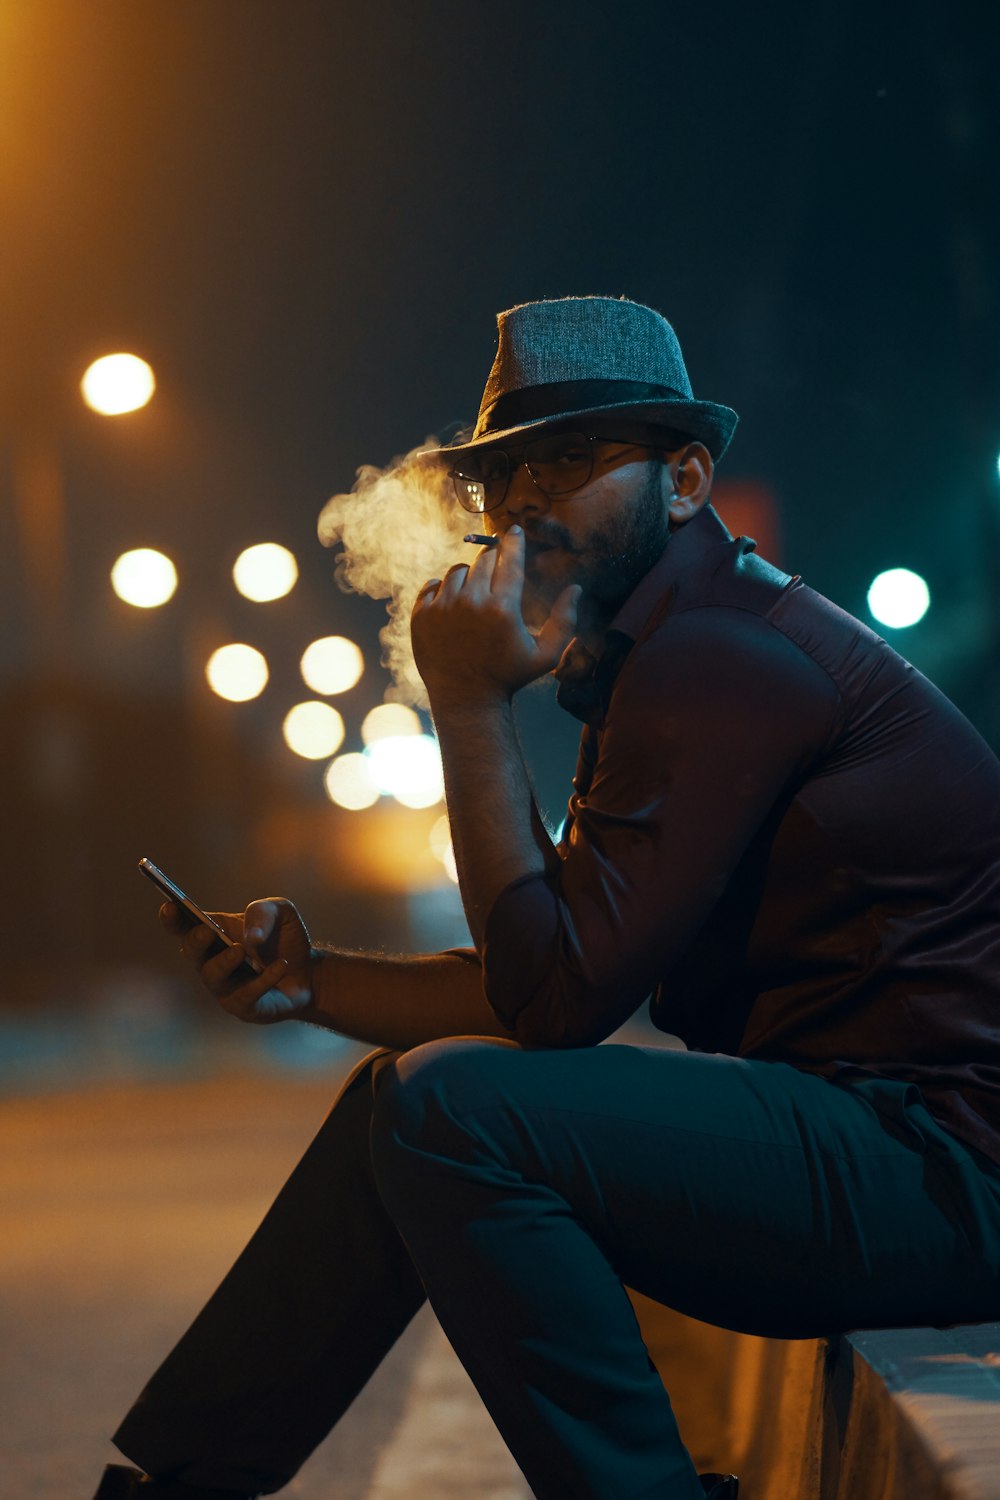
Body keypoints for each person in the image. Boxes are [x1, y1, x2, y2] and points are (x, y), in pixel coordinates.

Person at [93, 296, 1000, 1500]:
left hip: (941, 1172)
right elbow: (554, 968)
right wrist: (313, 984)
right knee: (399, 1104)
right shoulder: (672, 644)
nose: (523, 500)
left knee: (450, 1111)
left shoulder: (721, 659)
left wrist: (464, 708)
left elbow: (554, 1004)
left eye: (569, 460)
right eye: (504, 474)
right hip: (878, 1143)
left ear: (684, 480)